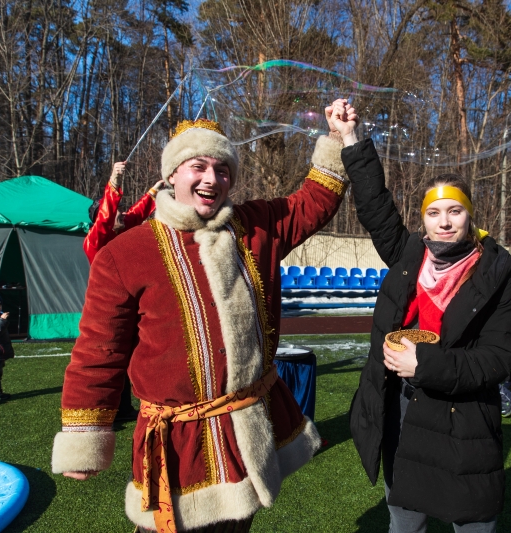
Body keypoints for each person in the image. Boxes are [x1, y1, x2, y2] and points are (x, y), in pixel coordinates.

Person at [51, 99, 355, 533]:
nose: (212, 178)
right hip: (179, 448)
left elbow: (313, 203)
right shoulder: (124, 253)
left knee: (238, 526)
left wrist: (336, 139)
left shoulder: (256, 226)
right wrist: (84, 438)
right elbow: (99, 351)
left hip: (248, 433)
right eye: (198, 166)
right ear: (172, 174)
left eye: (223, 169)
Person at [343, 139, 511, 531]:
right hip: (402, 409)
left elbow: (497, 359)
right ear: (423, 219)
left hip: (465, 419)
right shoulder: (409, 254)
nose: (444, 222)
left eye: (455, 211)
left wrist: (423, 365)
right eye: (434, 212)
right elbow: (375, 206)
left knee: (472, 521)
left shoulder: (496, 274)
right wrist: (352, 140)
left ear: (470, 215)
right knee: (405, 521)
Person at [84, 163, 166, 422]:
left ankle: (123, 408)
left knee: (133, 355)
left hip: (130, 303)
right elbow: (106, 217)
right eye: (116, 210)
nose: (121, 213)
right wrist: (114, 180)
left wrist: (156, 189)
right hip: (107, 309)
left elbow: (138, 212)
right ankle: (102, 411)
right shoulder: (95, 239)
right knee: (107, 360)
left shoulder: (122, 231)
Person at [83, 161, 166, 264]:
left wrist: (154, 191)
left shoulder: (120, 229)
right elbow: (105, 219)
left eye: (123, 209)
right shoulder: (93, 241)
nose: (124, 213)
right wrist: (114, 182)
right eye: (119, 209)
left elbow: (135, 214)